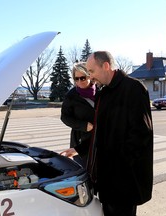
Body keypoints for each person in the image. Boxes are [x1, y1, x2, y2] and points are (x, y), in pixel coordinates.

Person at [86, 51, 153, 216]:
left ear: (106, 66)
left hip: (124, 180)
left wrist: (120, 164)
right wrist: (79, 148)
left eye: (92, 71)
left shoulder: (134, 88)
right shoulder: (103, 93)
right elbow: (100, 132)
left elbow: (141, 134)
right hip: (107, 179)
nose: (90, 77)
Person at [60, 62, 96, 166]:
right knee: (84, 172)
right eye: (76, 78)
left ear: (89, 75)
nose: (79, 81)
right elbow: (65, 117)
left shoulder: (100, 91)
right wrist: (84, 125)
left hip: (100, 139)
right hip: (81, 141)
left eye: (82, 78)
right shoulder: (71, 95)